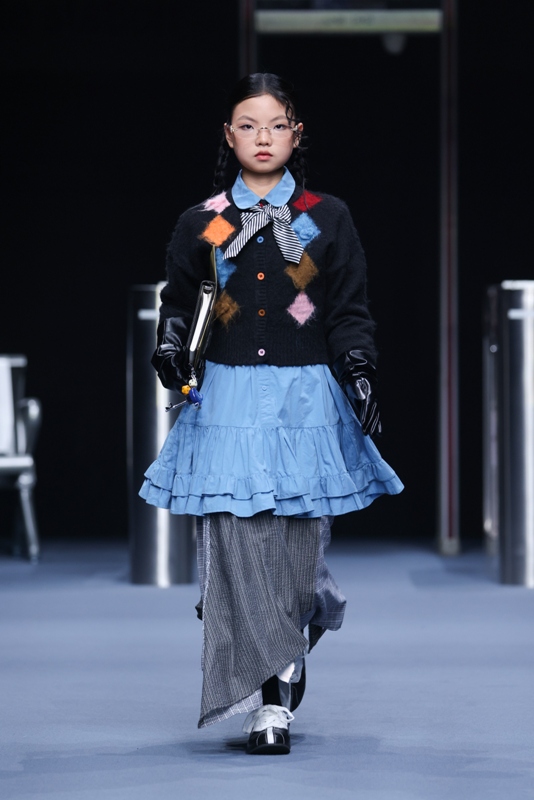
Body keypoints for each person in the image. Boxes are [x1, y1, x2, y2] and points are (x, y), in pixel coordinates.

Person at [140, 73, 403, 755]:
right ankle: (271, 705)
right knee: (231, 541)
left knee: (296, 547)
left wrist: (360, 370)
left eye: (276, 125)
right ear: (229, 136)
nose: (263, 137)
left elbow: (346, 308)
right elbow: (181, 299)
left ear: (296, 134)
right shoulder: (207, 219)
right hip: (226, 400)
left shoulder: (324, 217)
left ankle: (302, 620)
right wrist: (169, 345)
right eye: (248, 126)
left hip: (305, 400)